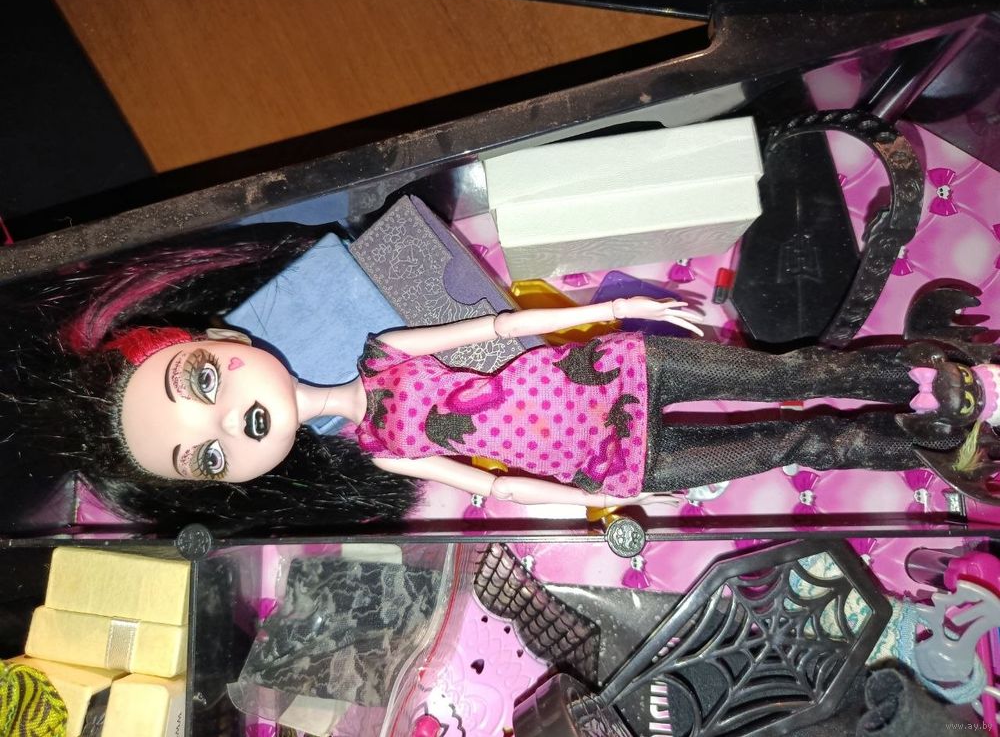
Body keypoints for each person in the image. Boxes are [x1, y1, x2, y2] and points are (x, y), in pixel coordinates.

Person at [4, 227, 997, 532]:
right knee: (793, 439)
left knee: (788, 372)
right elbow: (492, 488)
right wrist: (592, 505)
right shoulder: (384, 455)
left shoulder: (385, 353)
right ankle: (914, 439)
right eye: (210, 457)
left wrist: (618, 314)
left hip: (615, 364)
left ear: (221, 334)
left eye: (201, 381)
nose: (232, 420)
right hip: (611, 463)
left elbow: (498, 325)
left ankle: (924, 373)